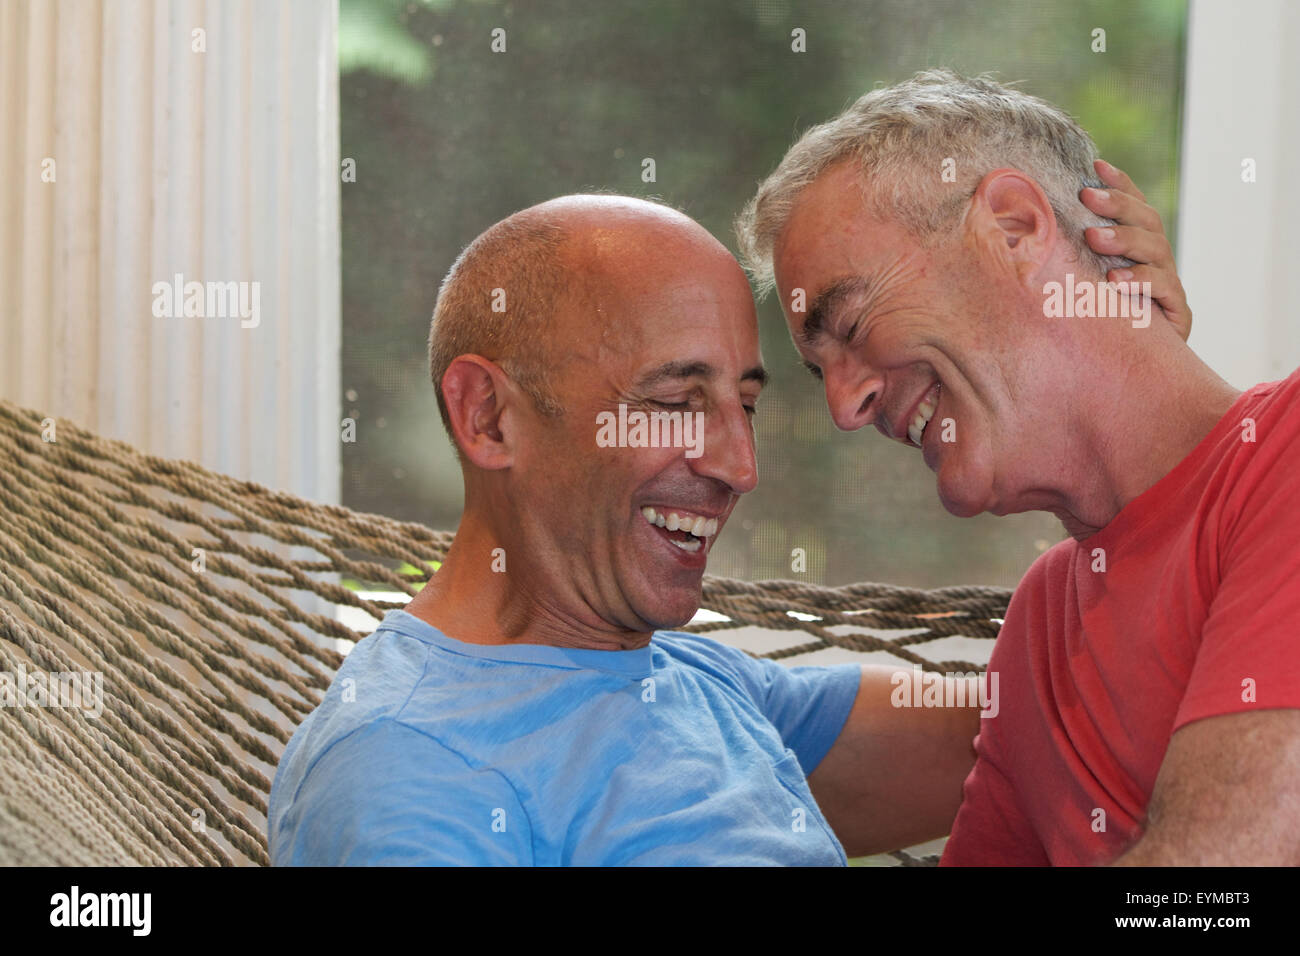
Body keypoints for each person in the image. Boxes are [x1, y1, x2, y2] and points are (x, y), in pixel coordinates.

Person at [270, 140, 1184, 868]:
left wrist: (1119, 392)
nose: (739, 466)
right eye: (674, 402)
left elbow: (1064, 728)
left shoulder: (699, 686)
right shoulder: (408, 770)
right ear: (488, 418)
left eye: (743, 406)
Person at [736, 69, 1299, 865]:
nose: (844, 407)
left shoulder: (1285, 454)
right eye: (818, 368)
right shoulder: (1043, 624)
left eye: (853, 321)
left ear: (1013, 227)